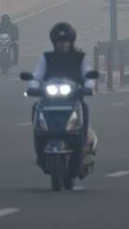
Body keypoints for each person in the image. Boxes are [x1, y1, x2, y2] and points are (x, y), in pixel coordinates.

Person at [27, 22, 95, 170]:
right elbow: (37, 76)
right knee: (35, 107)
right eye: (59, 41)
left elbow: (88, 75)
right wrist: (33, 87)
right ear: (54, 42)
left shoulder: (80, 58)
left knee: (84, 108)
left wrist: (88, 87)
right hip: (49, 101)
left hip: (73, 100)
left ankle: (82, 143)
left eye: (66, 41)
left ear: (71, 41)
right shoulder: (46, 57)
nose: (63, 44)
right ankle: (40, 153)